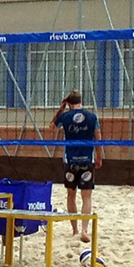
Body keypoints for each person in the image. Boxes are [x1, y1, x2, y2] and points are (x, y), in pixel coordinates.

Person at [51, 90, 104, 243]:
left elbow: (51, 126)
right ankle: (84, 230)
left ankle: (74, 230)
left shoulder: (65, 116)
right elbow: (98, 139)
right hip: (87, 160)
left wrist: (61, 109)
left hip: (70, 161)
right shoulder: (92, 117)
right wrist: (99, 157)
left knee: (71, 195)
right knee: (86, 197)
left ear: (68, 103)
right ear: (81, 101)